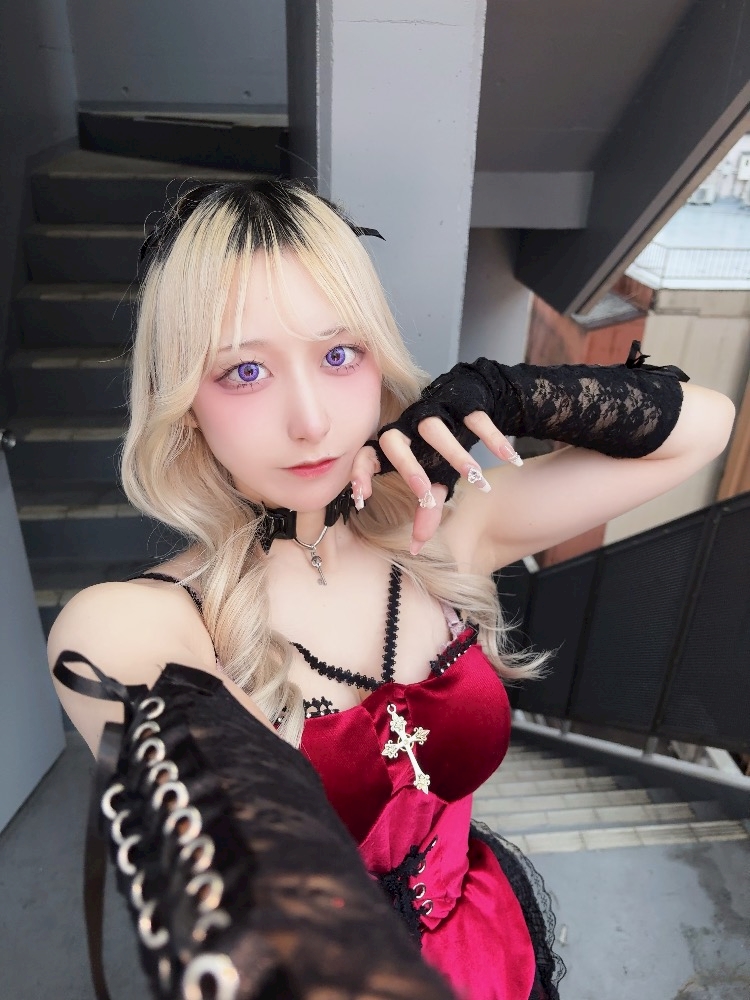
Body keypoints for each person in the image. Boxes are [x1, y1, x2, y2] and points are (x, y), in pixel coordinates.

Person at [48, 179, 736, 1000]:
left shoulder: (443, 530)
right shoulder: (142, 622)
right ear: (186, 404)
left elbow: (706, 426)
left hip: (493, 952)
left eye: (340, 355)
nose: (311, 420)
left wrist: (509, 392)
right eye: (245, 371)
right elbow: (233, 839)